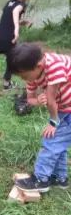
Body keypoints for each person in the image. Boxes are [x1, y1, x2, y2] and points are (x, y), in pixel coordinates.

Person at [10, 43, 71, 193]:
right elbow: (30, 99)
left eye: (24, 75)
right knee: (59, 144)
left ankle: (41, 180)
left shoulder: (55, 66)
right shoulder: (33, 72)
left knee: (50, 141)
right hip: (63, 107)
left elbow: (51, 101)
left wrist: (53, 122)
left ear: (38, 66)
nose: (24, 79)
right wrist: (38, 100)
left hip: (67, 110)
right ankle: (60, 178)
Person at [0, 0, 28, 90]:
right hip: (9, 40)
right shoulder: (21, 5)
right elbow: (15, 12)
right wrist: (16, 29)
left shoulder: (9, 2)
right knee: (11, 61)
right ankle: (6, 83)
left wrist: (22, 23)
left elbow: (9, 20)